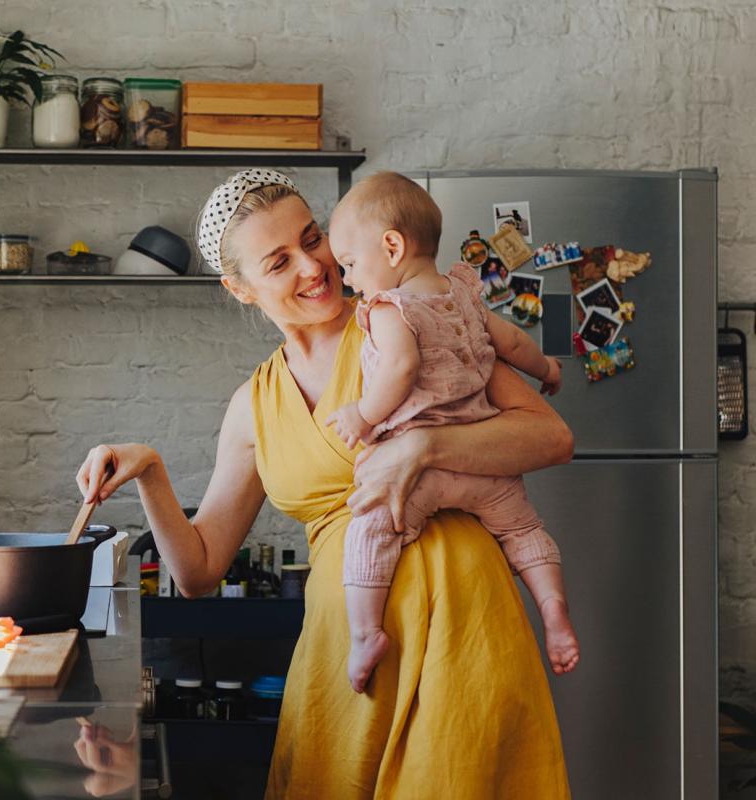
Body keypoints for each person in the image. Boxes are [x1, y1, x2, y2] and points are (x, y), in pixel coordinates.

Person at [77, 169, 572, 798]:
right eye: (279, 261)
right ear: (241, 288)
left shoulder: (409, 319)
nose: (314, 267)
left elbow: (552, 437)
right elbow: (199, 572)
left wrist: (425, 445)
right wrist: (150, 470)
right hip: (346, 652)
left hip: (464, 637)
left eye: (313, 240)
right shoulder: (253, 405)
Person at [323, 171, 579, 694]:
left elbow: (399, 368)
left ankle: (365, 633)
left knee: (371, 527)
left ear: (391, 246)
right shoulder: (465, 296)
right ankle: (553, 610)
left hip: (422, 474)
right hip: (486, 465)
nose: (349, 280)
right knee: (524, 530)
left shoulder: (390, 309)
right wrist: (548, 370)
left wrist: (364, 415)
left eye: (350, 264)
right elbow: (512, 342)